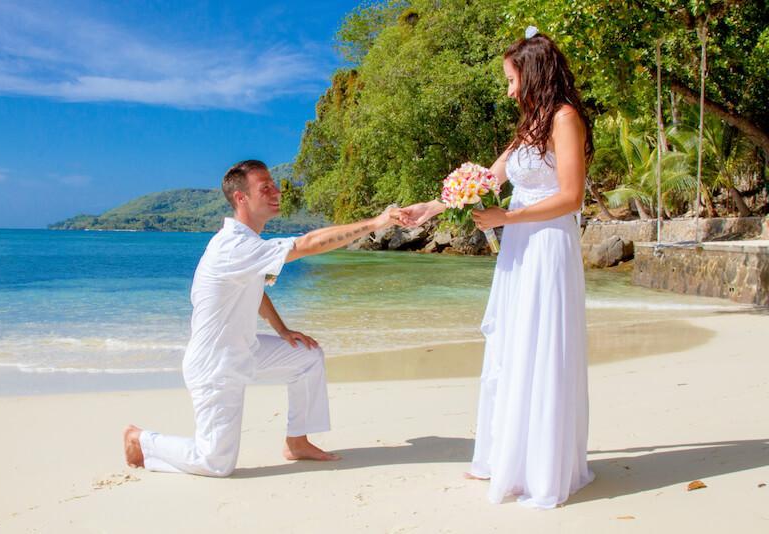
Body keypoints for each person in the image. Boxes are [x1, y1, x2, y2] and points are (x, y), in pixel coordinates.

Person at [401, 28, 595, 508]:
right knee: (515, 342)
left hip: (547, 242)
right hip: (520, 245)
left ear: (532, 75)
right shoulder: (530, 126)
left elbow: (570, 197)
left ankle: (541, 467)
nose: (508, 90)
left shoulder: (565, 119)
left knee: (539, 341)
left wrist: (507, 216)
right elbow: (487, 179)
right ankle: (506, 455)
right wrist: (431, 207)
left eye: (511, 79)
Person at [124, 159, 402, 477]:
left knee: (307, 356)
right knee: (215, 464)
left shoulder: (248, 245)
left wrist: (283, 330)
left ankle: (297, 442)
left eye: (274, 184)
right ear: (241, 198)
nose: (275, 191)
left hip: (245, 351)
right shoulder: (234, 246)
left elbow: (255, 290)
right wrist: (376, 222)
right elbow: (308, 244)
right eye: (264, 187)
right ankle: (140, 439)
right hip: (215, 366)